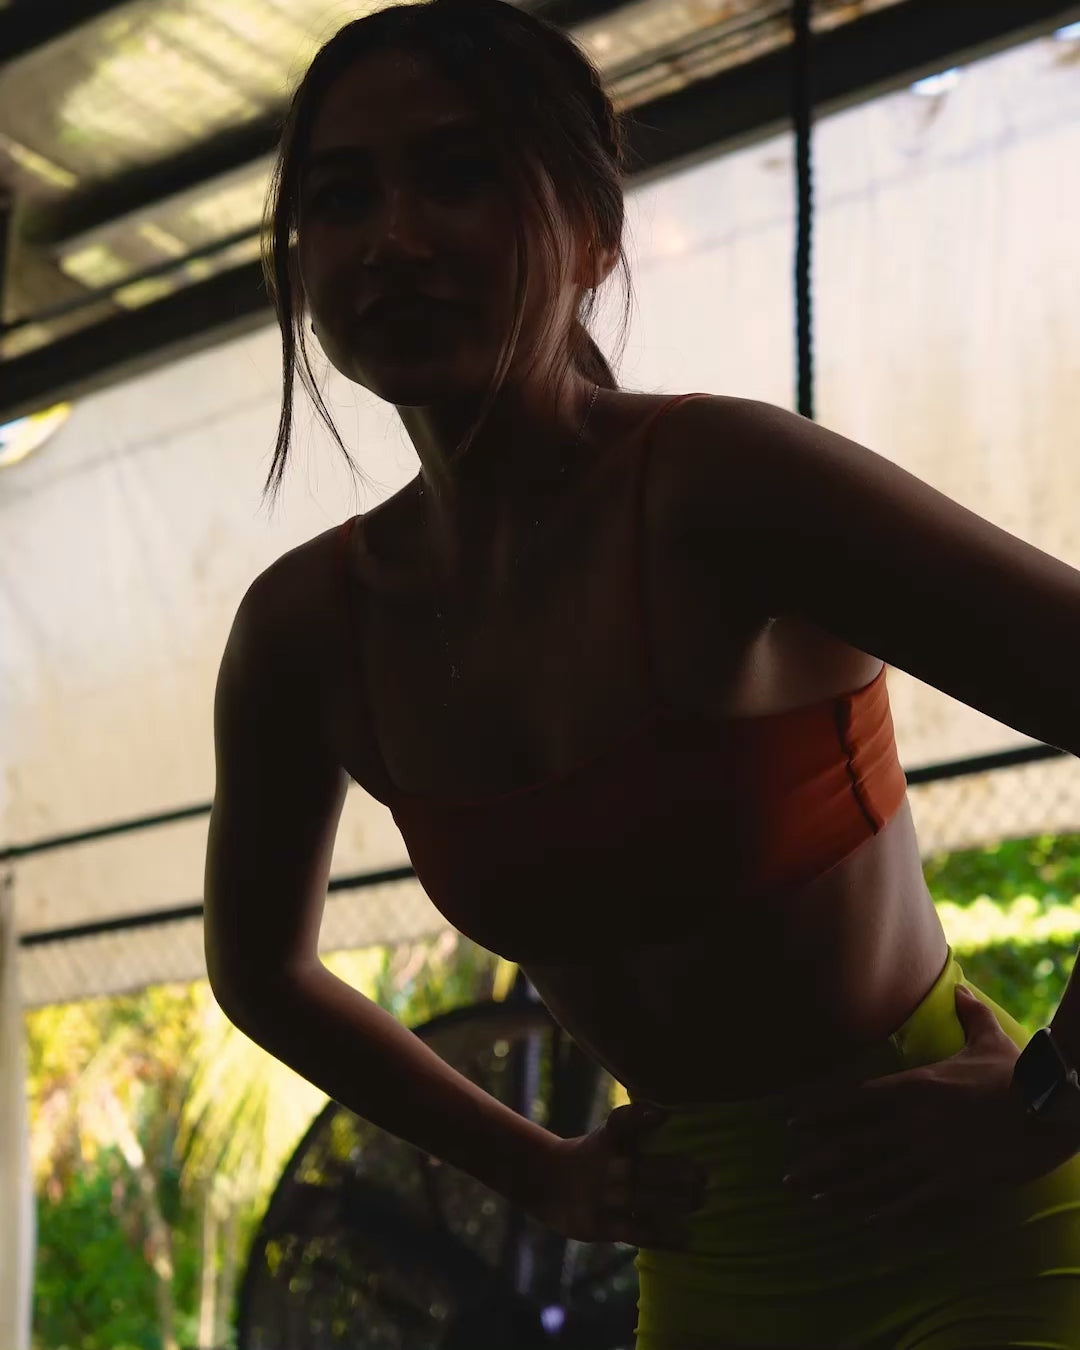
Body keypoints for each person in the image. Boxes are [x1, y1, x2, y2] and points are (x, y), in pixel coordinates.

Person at [203, 2, 1080, 1345]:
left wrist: (1055, 1098)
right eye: (340, 198)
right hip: (705, 1252)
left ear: (593, 232)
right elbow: (261, 971)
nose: (393, 238)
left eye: (458, 174)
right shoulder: (303, 632)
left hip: (976, 1226)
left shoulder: (724, 487)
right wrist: (535, 1170)